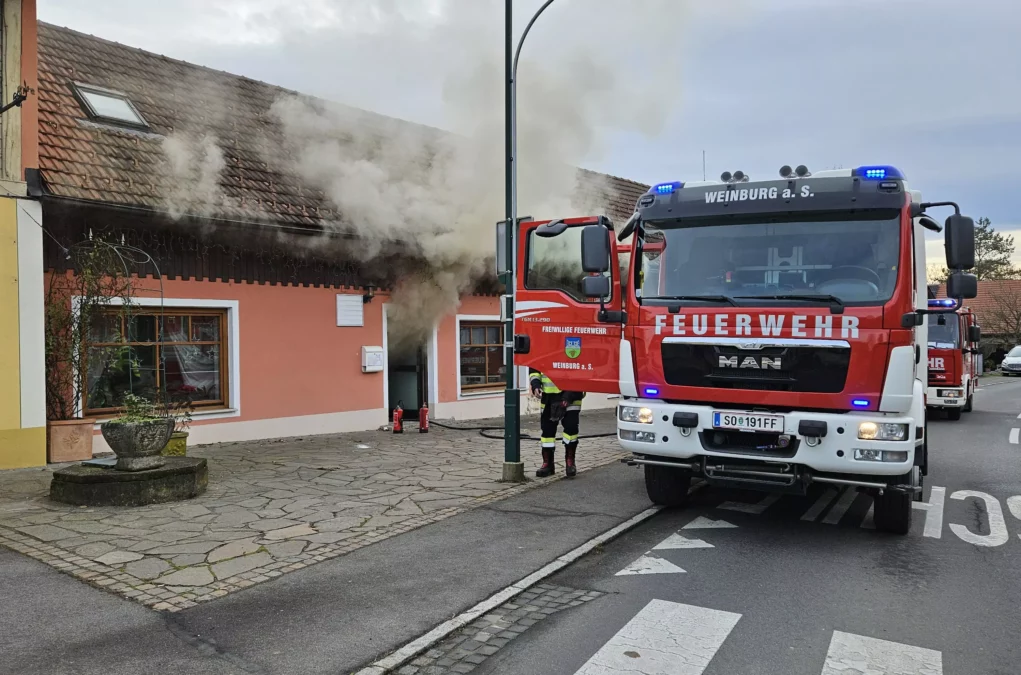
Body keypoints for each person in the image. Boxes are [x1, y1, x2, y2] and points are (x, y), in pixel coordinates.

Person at [529, 368, 585, 478]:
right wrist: (536, 385)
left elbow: (580, 369)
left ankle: (570, 462)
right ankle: (548, 464)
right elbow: (534, 369)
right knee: (547, 432)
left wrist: (568, 395)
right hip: (548, 395)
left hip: (573, 394)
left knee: (571, 429)